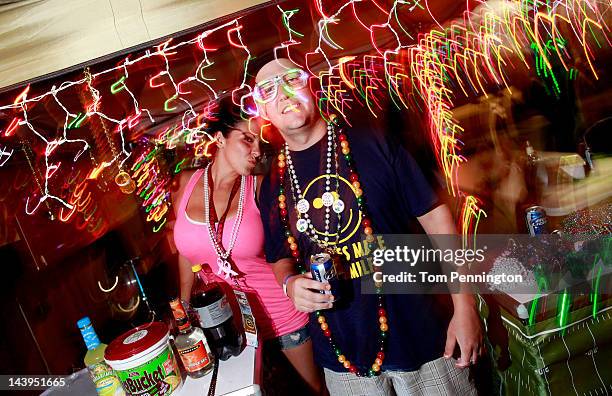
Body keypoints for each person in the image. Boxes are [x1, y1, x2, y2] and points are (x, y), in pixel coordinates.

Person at [254, 58, 484, 395]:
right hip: (343, 356)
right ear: (262, 111)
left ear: (312, 85)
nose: (284, 92)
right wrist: (289, 283)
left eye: (292, 78)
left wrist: (465, 307)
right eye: (269, 89)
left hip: (422, 339)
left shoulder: (372, 142)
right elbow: (279, 257)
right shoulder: (271, 183)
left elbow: (437, 220)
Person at [171, 95, 324, 394]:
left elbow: (290, 245)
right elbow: (185, 253)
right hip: (227, 326)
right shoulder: (185, 185)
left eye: (259, 143)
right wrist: (185, 309)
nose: (256, 151)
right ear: (219, 138)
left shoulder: (260, 187)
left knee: (312, 391)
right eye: (247, 139)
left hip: (282, 317)